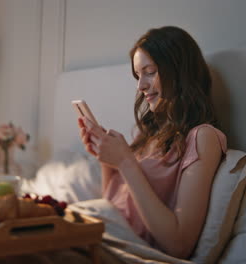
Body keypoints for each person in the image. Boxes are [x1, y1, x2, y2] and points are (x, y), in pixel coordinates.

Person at [77, 26, 227, 259]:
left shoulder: (202, 137)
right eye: (138, 75)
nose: (141, 86)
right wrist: (108, 161)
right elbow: (116, 208)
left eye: (150, 72)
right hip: (105, 232)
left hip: (120, 249)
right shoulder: (148, 133)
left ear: (180, 72)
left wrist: (126, 163)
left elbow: (179, 244)